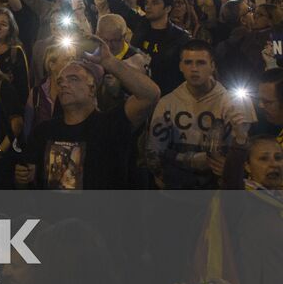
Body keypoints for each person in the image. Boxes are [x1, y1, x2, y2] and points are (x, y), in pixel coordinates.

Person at [18, 48, 160, 190]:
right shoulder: (43, 131)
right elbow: (26, 184)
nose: (64, 84)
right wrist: (22, 178)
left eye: (73, 79)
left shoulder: (110, 124)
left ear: (92, 89)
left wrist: (108, 61)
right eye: (60, 81)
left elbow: (150, 95)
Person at [147, 40, 255, 188]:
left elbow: (253, 152)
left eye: (201, 63)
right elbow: (155, 152)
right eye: (188, 62)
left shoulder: (235, 103)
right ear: (180, 66)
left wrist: (233, 168)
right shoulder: (168, 103)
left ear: (212, 66)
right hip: (178, 188)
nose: (194, 69)